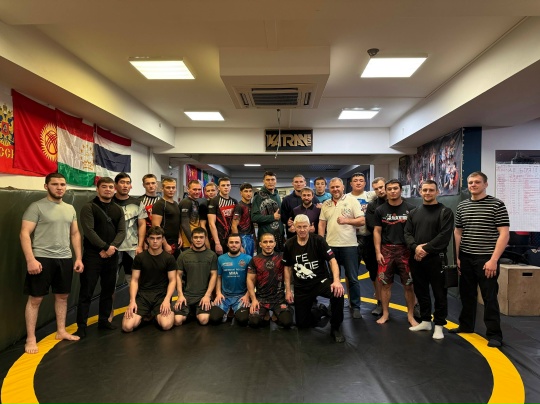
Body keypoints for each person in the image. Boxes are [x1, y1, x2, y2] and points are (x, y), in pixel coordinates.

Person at [20, 172, 84, 354]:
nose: (59, 188)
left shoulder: (70, 208)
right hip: (41, 258)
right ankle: (30, 338)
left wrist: (78, 257)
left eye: (62, 184)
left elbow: (75, 234)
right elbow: (24, 233)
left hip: (64, 258)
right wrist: (30, 259)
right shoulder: (36, 207)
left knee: (62, 297)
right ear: (46, 186)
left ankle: (61, 331)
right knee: (35, 299)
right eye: (55, 184)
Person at [450, 171, 510, 347]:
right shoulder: (462, 206)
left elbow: (504, 234)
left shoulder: (497, 205)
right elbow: (458, 232)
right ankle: (466, 325)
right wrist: (457, 257)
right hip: (466, 258)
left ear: (485, 184)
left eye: (477, 182)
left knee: (489, 297)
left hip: (486, 259)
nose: (473, 185)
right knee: (466, 294)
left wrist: (493, 260)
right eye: (470, 182)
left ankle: (495, 335)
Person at [76, 177, 126, 338]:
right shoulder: (89, 207)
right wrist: (105, 247)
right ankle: (81, 326)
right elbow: (89, 231)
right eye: (104, 187)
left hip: (112, 254)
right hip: (93, 255)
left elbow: (122, 232)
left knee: (108, 289)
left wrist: (112, 248)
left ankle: (104, 320)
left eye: (111, 187)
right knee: (87, 291)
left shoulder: (118, 209)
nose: (108, 189)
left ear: (114, 189)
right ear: (97, 189)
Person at [404, 180, 454, 340]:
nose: (427, 193)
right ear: (420, 191)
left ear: (437, 192)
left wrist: (424, 249)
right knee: (421, 291)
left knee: (440, 293)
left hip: (436, 259)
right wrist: (415, 248)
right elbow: (407, 233)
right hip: (417, 259)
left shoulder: (445, 212)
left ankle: (439, 325)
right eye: (425, 190)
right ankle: (425, 321)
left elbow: (444, 236)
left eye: (431, 190)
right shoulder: (414, 212)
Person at [283, 215, 346, 342]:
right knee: (302, 324)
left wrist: (336, 281)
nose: (302, 230)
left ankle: (335, 328)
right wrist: (288, 290)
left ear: (310, 227)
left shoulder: (318, 240)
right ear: (294, 227)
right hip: (301, 286)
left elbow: (332, 260)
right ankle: (320, 310)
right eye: (299, 227)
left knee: (338, 294)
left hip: (320, 282)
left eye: (304, 226)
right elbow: (287, 268)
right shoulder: (289, 244)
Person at [318, 178, 364, 319]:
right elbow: (321, 224)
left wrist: (347, 220)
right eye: (332, 187)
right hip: (331, 245)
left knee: (353, 278)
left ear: (343, 187)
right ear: (329, 189)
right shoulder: (326, 204)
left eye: (337, 186)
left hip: (349, 245)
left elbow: (362, 221)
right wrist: (321, 242)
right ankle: (334, 304)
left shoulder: (352, 201)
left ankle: (355, 306)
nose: (335, 189)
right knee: (333, 278)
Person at [373, 179, 417, 326]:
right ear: (386, 191)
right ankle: (385, 313)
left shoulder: (411, 209)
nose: (392, 191)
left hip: (406, 251)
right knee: (385, 284)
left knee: (409, 285)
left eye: (395, 188)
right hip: (386, 250)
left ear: (400, 190)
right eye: (390, 189)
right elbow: (377, 231)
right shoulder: (380, 210)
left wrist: (415, 249)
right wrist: (378, 252)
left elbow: (415, 232)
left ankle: (410, 315)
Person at [122, 226, 177, 332]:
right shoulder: (140, 258)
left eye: (158, 238)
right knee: (127, 327)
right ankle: (148, 314)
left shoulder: (169, 258)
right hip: (143, 296)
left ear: (162, 239)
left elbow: (172, 280)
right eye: (152, 238)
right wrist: (132, 301)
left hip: (161, 296)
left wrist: (167, 300)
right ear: (147, 239)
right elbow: (134, 280)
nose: (155, 241)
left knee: (166, 325)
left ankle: (156, 315)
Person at [110, 172, 147, 322]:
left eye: (127, 183)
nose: (125, 185)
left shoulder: (137, 203)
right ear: (116, 185)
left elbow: (142, 224)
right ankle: (109, 311)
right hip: (113, 249)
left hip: (131, 249)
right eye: (122, 182)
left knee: (134, 280)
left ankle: (136, 309)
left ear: (130, 186)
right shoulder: (108, 201)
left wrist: (140, 245)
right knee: (110, 282)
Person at [247, 233, 293, 328]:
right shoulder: (255, 260)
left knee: (287, 322)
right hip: (261, 299)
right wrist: (254, 300)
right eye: (265, 242)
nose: (268, 245)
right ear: (260, 244)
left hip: (279, 299)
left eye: (271, 242)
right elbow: (250, 280)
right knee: (254, 322)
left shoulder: (282, 257)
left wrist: (289, 291)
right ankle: (266, 314)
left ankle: (276, 314)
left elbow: (288, 274)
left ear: (275, 244)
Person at [174, 227, 218, 325]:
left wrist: (207, 296)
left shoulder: (212, 255)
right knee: (177, 321)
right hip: (186, 295)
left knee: (204, 320)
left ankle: (195, 312)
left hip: (203, 296)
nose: (198, 240)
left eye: (201, 237)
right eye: (196, 237)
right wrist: (180, 295)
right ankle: (191, 312)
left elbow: (214, 275)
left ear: (205, 238)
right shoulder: (183, 255)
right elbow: (178, 275)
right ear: (191, 239)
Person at [209, 234, 251, 326]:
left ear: (240, 244)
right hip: (225, 296)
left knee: (243, 320)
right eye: (231, 242)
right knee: (214, 319)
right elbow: (218, 277)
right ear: (227, 244)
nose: (234, 245)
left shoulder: (248, 259)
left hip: (241, 296)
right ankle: (227, 312)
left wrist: (247, 295)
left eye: (236, 242)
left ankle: (235, 312)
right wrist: (218, 293)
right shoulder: (221, 259)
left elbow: (252, 280)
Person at [364, 177, 387, 316]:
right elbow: (372, 225)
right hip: (376, 244)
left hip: (398, 244)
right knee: (376, 274)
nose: (380, 190)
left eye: (381, 187)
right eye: (376, 189)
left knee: (406, 277)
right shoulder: (372, 205)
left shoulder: (401, 203)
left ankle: (415, 306)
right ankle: (379, 302)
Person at [251, 171, 285, 252]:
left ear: (276, 181)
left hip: (279, 237)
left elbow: (279, 217)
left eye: (272, 179)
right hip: (265, 239)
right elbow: (254, 217)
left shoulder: (277, 195)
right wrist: (272, 217)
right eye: (268, 180)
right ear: (263, 181)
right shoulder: (258, 196)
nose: (270, 182)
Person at [281, 174, 320, 239]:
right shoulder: (287, 200)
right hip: (294, 237)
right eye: (296, 182)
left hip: (312, 237)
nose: (298, 184)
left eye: (301, 182)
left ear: (305, 183)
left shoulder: (315, 199)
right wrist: (287, 222)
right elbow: (283, 217)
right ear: (292, 183)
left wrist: (315, 228)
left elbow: (320, 219)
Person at [151, 177, 182, 259]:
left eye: (173, 187)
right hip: (165, 242)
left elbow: (176, 222)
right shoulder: (159, 204)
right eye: (168, 187)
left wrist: (179, 236)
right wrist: (165, 244)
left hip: (175, 241)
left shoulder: (176, 204)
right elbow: (156, 226)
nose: (171, 190)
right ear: (162, 189)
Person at [208, 177, 238, 255]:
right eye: (223, 185)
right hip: (218, 238)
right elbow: (211, 224)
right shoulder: (214, 201)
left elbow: (236, 222)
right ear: (219, 188)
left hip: (231, 239)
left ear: (230, 187)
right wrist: (217, 243)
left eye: (228, 185)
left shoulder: (234, 201)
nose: (226, 187)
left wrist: (237, 240)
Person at [179, 180, 205, 251]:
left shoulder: (195, 201)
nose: (197, 192)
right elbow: (184, 223)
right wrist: (192, 241)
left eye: (199, 189)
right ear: (188, 190)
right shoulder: (186, 202)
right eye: (194, 189)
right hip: (188, 241)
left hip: (195, 237)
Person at [232, 183, 256, 257]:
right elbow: (234, 226)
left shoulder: (252, 206)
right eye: (246, 191)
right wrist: (238, 242)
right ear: (241, 193)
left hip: (252, 236)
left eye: (250, 191)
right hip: (243, 236)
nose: (248, 193)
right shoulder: (239, 206)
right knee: (245, 260)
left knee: (251, 260)